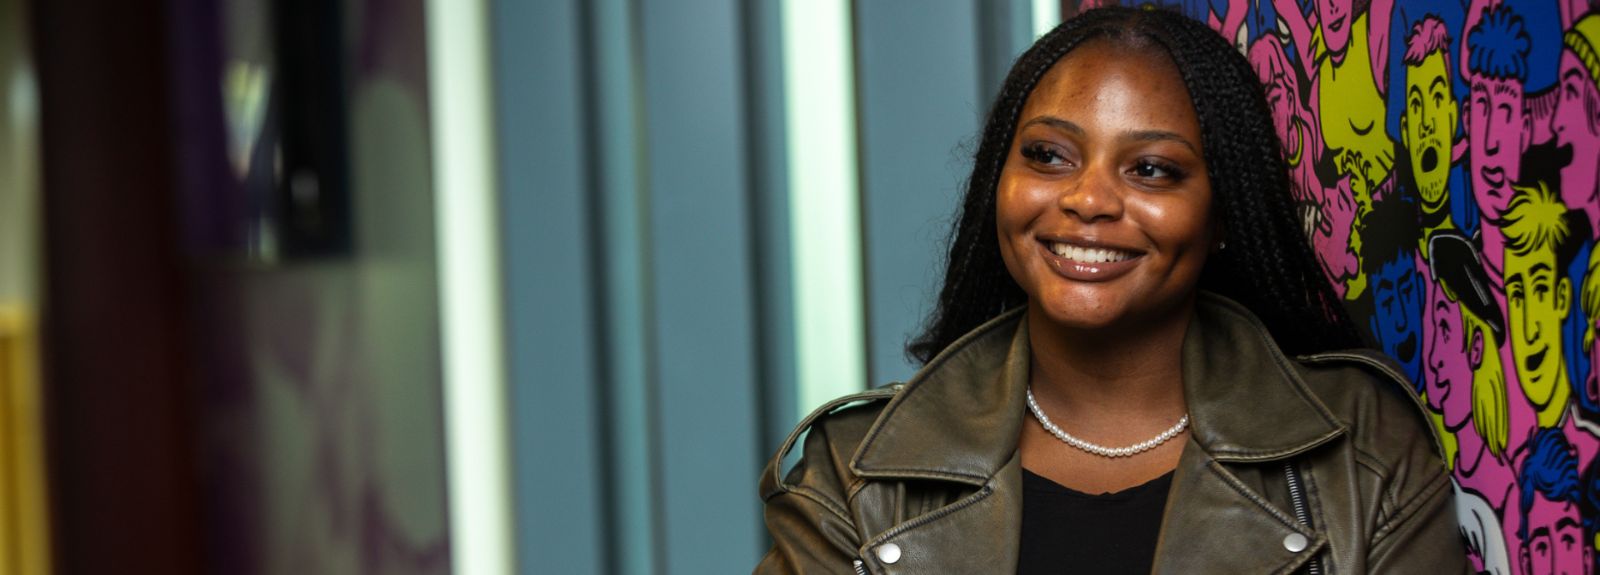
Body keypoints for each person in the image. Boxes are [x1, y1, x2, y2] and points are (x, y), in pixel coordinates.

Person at [755, 7, 1467, 574]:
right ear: (997, 184)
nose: (1088, 199)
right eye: (1048, 155)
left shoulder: (1363, 455)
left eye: (1152, 169)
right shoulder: (855, 476)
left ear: (1222, 213)